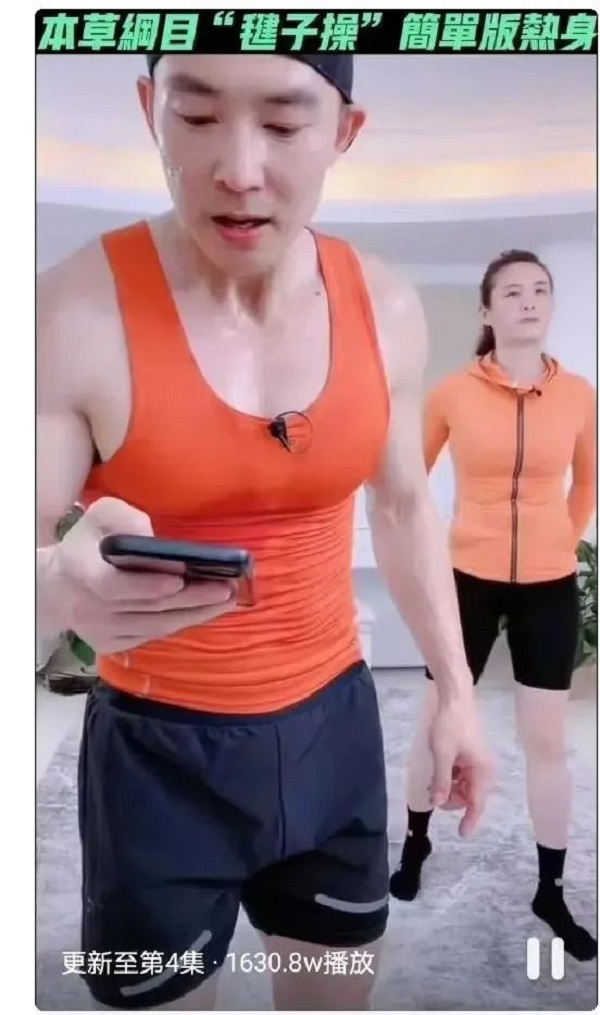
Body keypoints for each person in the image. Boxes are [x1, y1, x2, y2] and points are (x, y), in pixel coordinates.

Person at [37, 53, 493, 1012]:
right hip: (156, 751)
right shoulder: (74, 311)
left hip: (334, 727)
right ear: (149, 111)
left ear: (345, 132)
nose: (239, 170)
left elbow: (404, 506)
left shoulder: (387, 305)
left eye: (283, 125)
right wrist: (52, 587)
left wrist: (455, 692)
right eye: (197, 117)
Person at [390, 249, 597, 962]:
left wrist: (558, 542)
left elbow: (585, 484)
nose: (528, 301)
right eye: (512, 292)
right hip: (467, 580)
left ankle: (551, 889)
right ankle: (415, 843)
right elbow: (408, 486)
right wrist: (427, 556)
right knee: (435, 724)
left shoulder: (579, 395)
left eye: (540, 290)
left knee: (547, 743)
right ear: (488, 310)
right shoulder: (452, 393)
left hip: (549, 586)